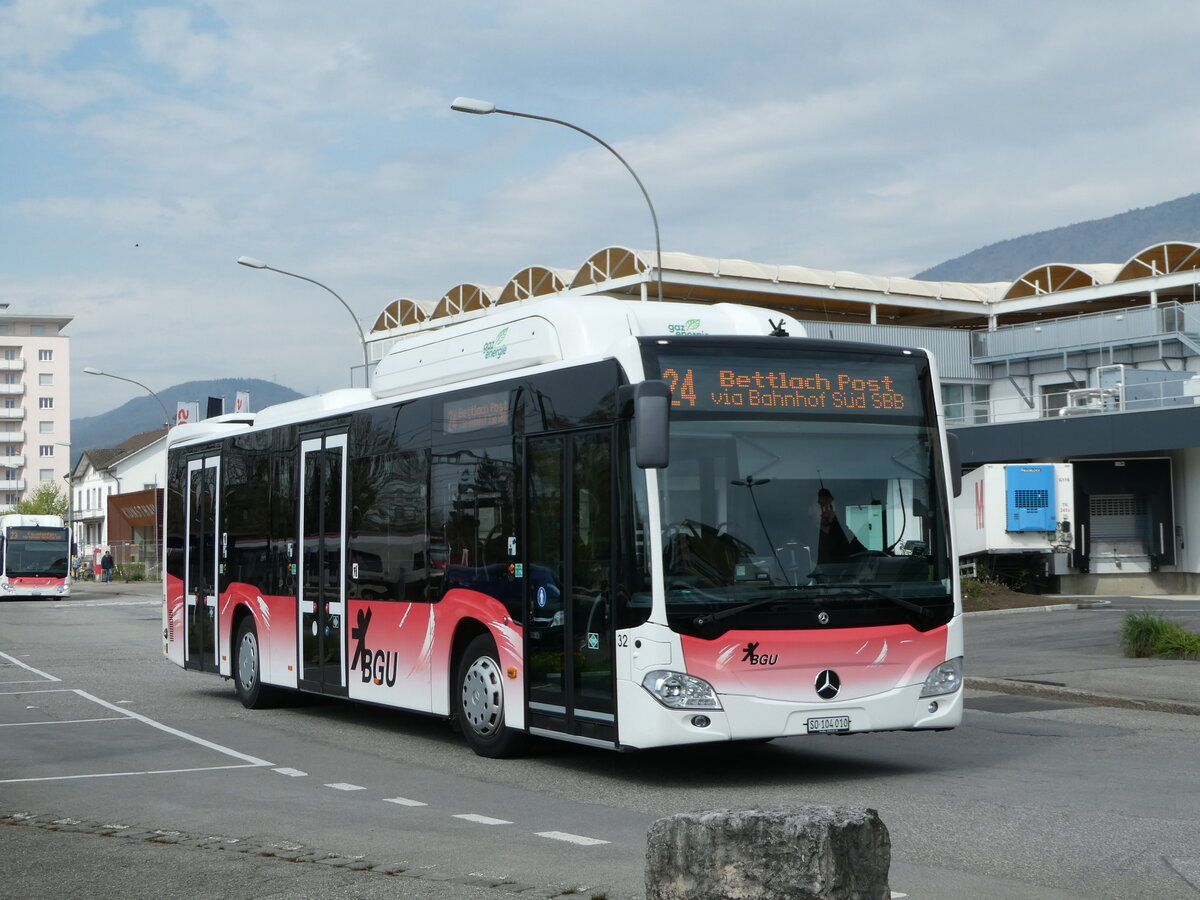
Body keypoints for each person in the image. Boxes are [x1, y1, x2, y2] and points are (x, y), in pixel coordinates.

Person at [816, 489, 866, 564]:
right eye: (822, 505)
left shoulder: (844, 532)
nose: (827, 510)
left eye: (830, 506)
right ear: (809, 509)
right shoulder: (805, 539)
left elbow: (863, 553)